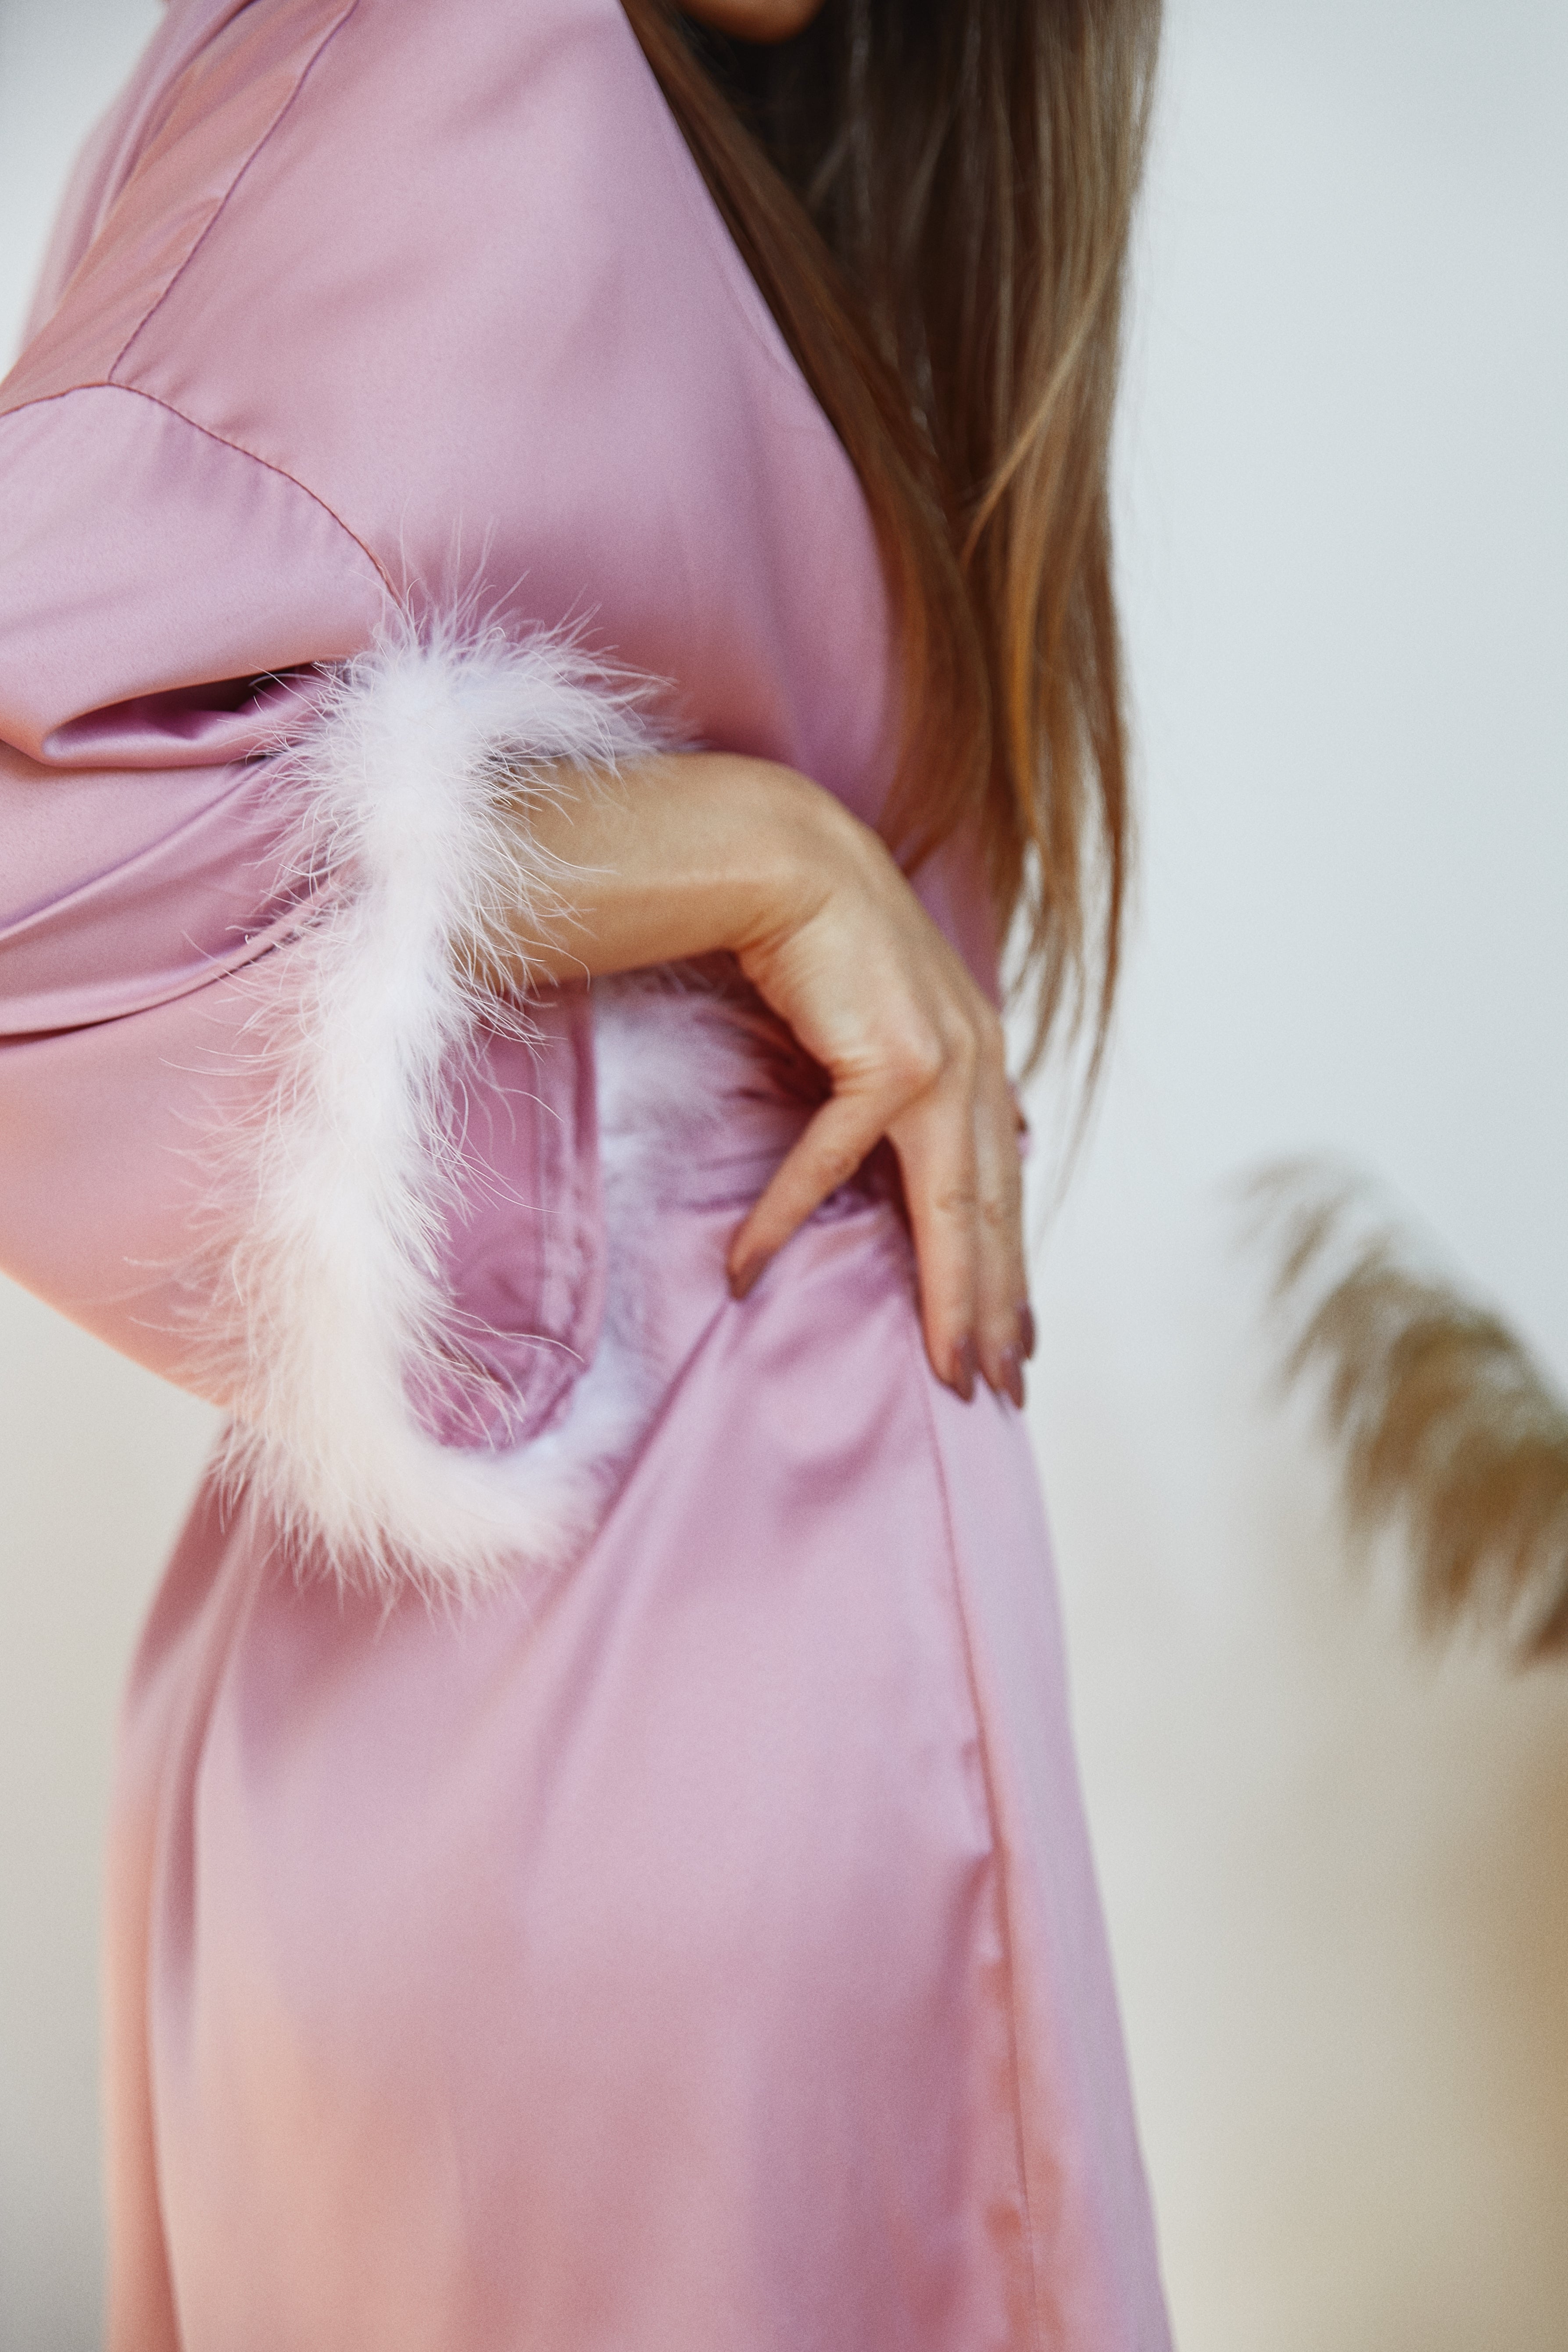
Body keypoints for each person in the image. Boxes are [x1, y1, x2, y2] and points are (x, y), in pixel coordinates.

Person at [0, 0, 1172, 2342]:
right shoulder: (439, 45)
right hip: (586, 1764)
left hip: (772, 1759)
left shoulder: (742, 159)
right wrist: (742, 847)